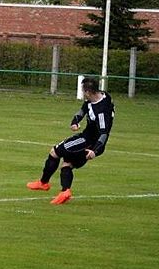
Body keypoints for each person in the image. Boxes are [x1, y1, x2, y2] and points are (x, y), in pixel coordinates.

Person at [27, 76, 115, 205]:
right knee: (67, 163)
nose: (82, 93)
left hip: (87, 142)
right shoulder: (102, 95)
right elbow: (83, 109)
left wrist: (95, 150)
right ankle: (65, 192)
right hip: (89, 141)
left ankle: (43, 183)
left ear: (88, 92)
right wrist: (75, 121)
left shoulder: (101, 111)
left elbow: (104, 133)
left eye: (83, 91)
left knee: (55, 152)